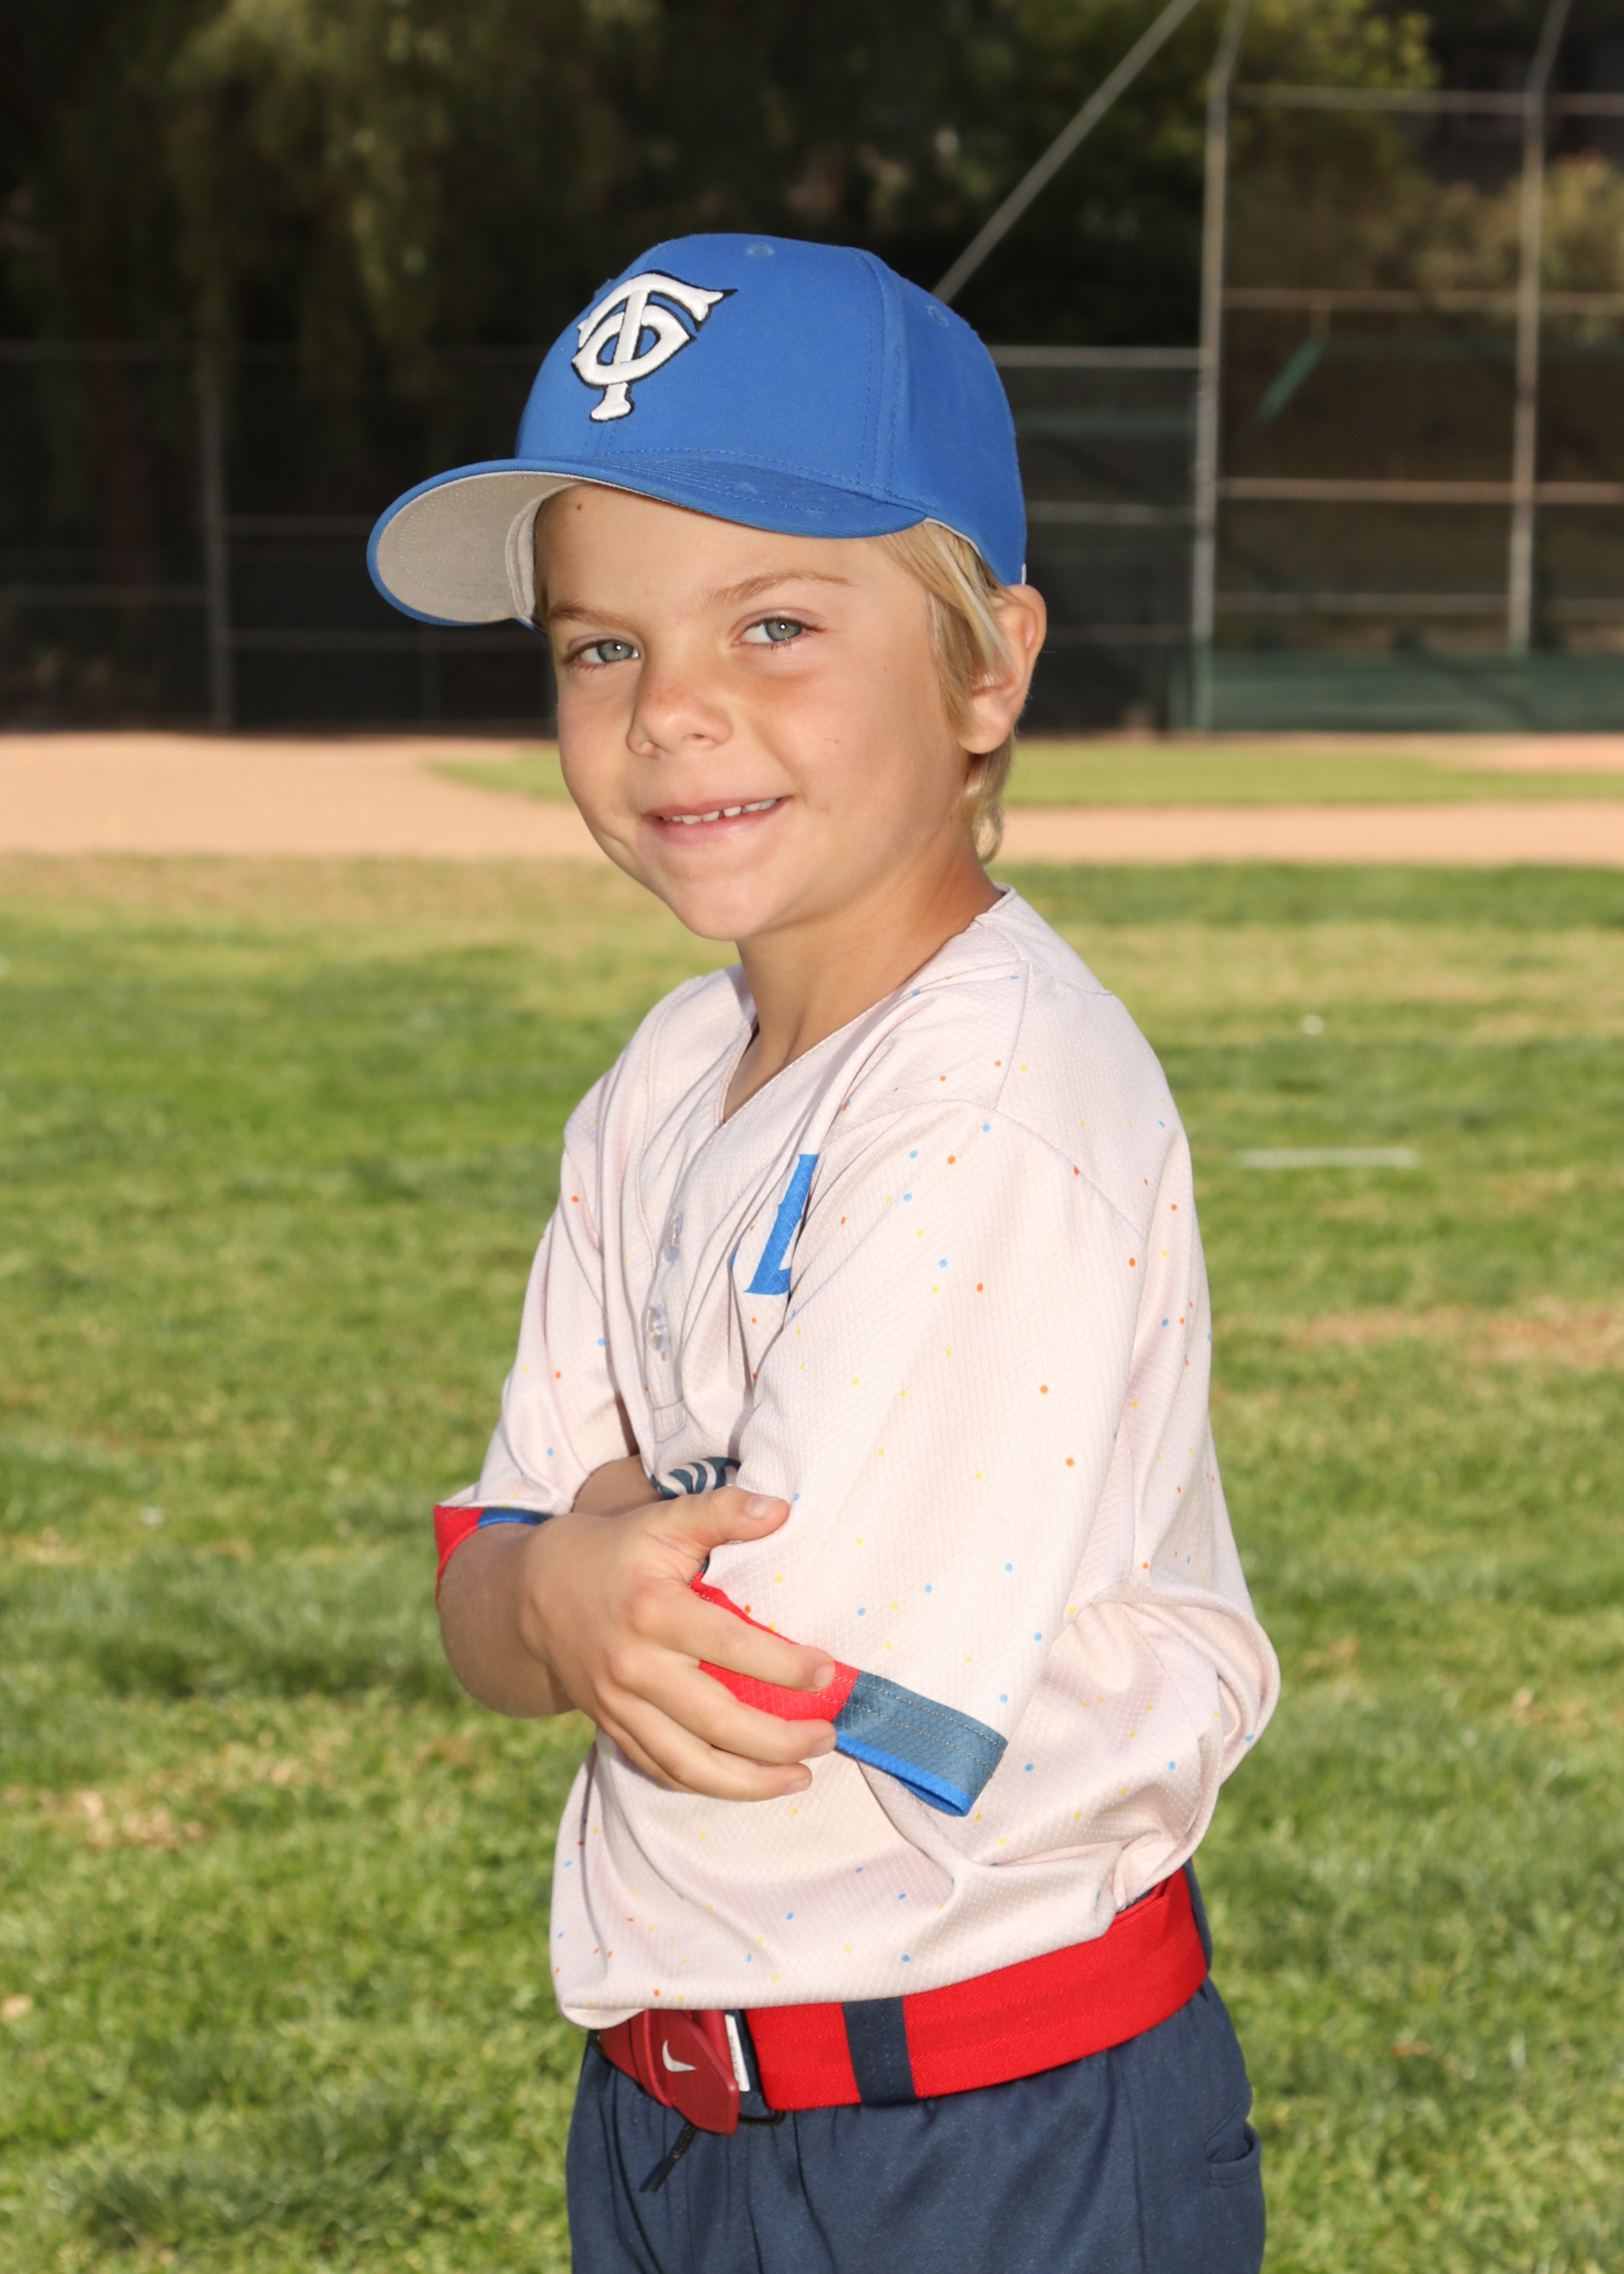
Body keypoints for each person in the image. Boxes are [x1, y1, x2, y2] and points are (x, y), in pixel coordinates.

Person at [369, 233, 1280, 2274]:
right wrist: (561, 1576)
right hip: (675, 2104)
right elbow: (489, 1576)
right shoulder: (664, 1076)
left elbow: (752, 1670)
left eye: (772, 622)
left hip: (991, 2130)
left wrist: (576, 1568)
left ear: (986, 666)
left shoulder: (995, 1091)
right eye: (601, 646)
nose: (672, 711)